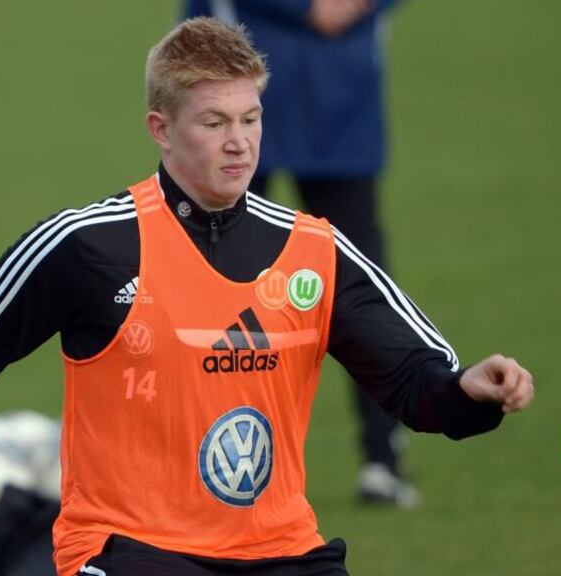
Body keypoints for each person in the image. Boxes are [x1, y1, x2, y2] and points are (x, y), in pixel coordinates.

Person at [0, 18, 534, 576]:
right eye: (214, 123)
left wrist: (468, 391)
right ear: (161, 129)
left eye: (250, 119)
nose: (239, 142)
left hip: (282, 554)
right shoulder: (90, 245)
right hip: (128, 554)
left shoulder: (316, 250)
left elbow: (414, 384)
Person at [182, 1, 416, 506]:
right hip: (236, 96)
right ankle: (217, 464)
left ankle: (382, 458)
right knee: (220, 282)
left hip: (336, 97)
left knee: (357, 281)